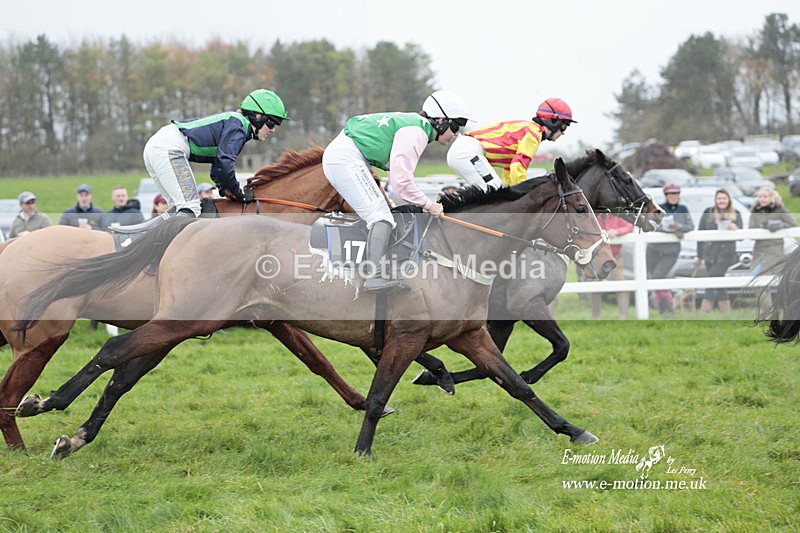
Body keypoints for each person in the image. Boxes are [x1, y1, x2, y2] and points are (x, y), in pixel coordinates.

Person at [322, 89, 471, 293]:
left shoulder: (417, 128)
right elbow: (401, 181)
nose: (455, 134)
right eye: (455, 126)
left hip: (348, 156)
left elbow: (398, 179)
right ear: (440, 120)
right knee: (381, 218)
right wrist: (429, 204)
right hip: (346, 158)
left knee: (385, 213)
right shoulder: (417, 132)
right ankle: (373, 277)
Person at [143, 89, 288, 217]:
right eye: (271, 123)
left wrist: (224, 189)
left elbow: (218, 164)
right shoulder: (238, 127)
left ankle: (141, 238)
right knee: (191, 207)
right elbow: (225, 162)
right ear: (257, 116)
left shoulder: (236, 124)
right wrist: (238, 193)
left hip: (158, 146)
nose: (273, 129)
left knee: (176, 209)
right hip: (168, 148)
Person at [446, 98, 576, 191]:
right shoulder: (533, 134)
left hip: (464, 150)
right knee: (495, 192)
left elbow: (511, 169)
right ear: (553, 121)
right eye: (564, 126)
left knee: (495, 192)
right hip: (468, 152)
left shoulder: (531, 130)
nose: (563, 133)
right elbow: (519, 166)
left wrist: (511, 190)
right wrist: (521, 195)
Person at [647, 182, 694, 316]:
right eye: (670, 194)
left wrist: (679, 227)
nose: (673, 196)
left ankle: (669, 306)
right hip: (654, 249)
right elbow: (652, 224)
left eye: (675, 194)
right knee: (649, 278)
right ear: (666, 195)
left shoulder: (683, 209)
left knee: (658, 277)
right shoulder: (658, 208)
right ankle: (662, 309)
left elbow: (690, 226)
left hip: (671, 251)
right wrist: (668, 230)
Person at [693, 189, 743, 313]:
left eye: (724, 198)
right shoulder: (708, 212)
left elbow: (741, 235)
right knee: (719, 283)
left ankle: (705, 310)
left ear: (729, 200)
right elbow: (700, 234)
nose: (722, 201)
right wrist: (699, 256)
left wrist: (734, 227)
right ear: (715, 200)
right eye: (719, 198)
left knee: (712, 279)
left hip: (726, 255)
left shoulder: (736, 213)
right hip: (709, 254)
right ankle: (726, 311)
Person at [589, 214, 633, 319]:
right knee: (594, 285)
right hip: (598, 258)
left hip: (615, 257)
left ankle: (623, 316)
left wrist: (616, 231)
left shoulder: (617, 216)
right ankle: (596, 316)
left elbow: (629, 227)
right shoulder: (594, 218)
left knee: (621, 284)